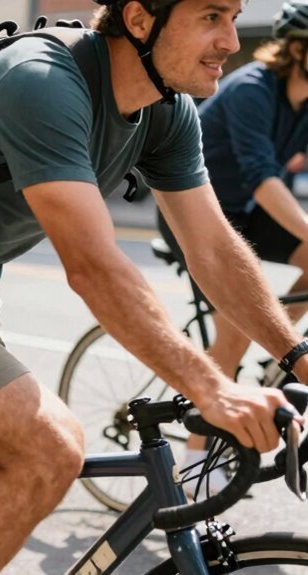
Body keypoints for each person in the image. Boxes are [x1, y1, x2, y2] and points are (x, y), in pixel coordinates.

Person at [0, 0, 305, 572]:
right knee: (50, 451)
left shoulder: (165, 111)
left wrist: (296, 357)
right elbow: (93, 265)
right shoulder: (41, 81)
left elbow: (215, 250)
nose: (232, 42)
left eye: (234, 18)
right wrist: (213, 390)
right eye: (211, 17)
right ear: (142, 19)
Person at [156, 0, 308, 496]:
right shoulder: (251, 90)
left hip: (248, 214)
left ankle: (275, 354)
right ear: (300, 50)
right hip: (198, 212)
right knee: (238, 324)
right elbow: (264, 178)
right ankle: (194, 458)